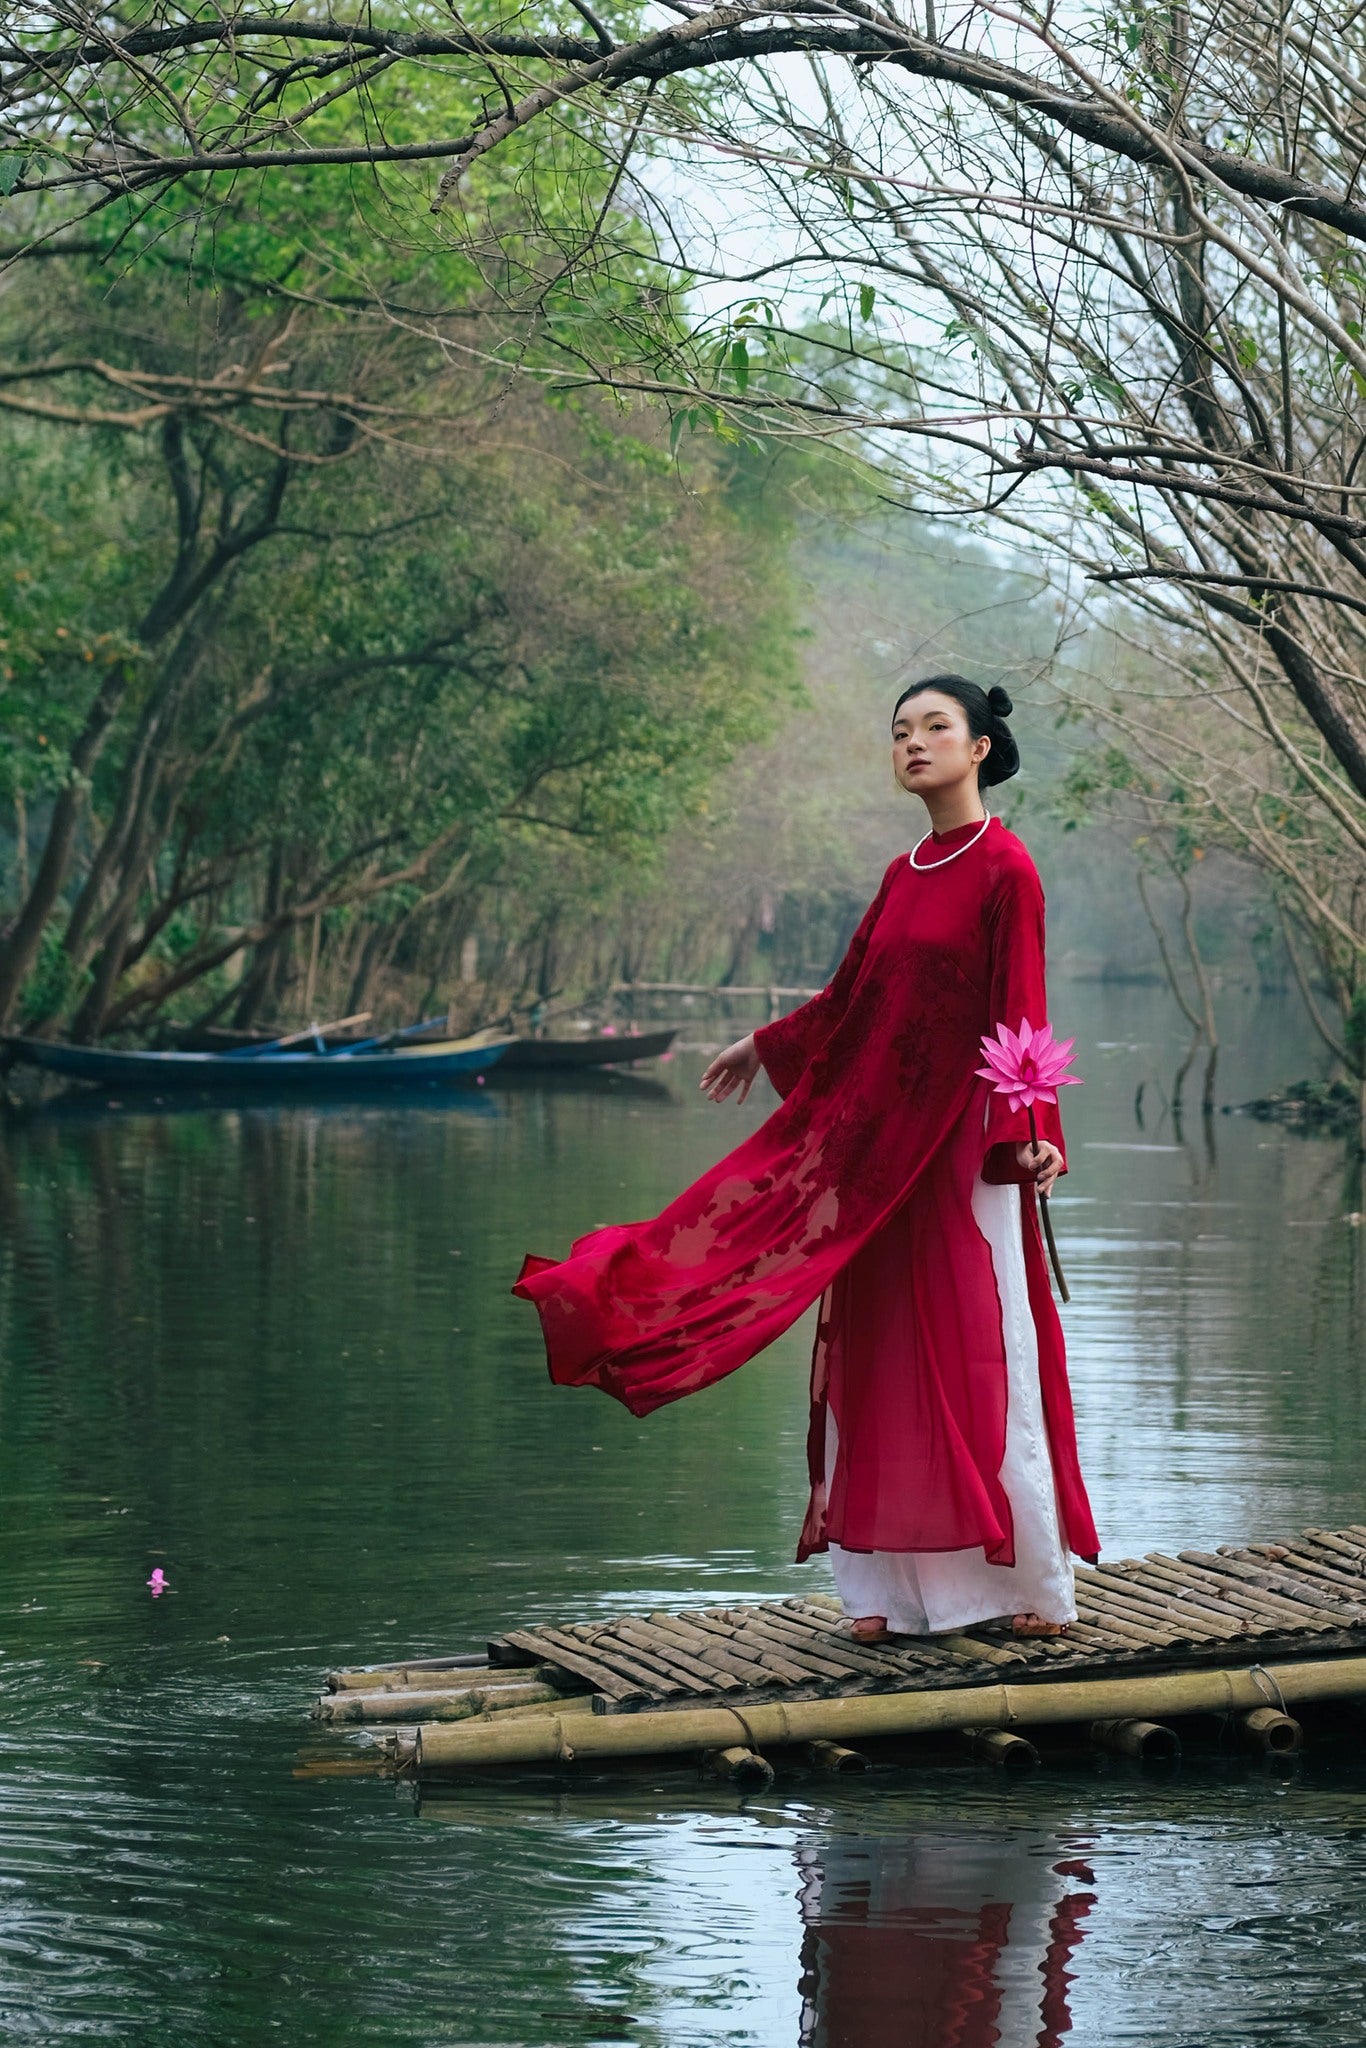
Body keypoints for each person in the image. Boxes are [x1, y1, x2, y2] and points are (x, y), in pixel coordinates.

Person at [514, 675, 1099, 1639]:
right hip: (875, 1155)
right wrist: (765, 1043)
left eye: (936, 727)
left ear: (980, 748)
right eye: (900, 730)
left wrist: (1033, 1132)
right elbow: (852, 997)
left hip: (960, 1150)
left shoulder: (1008, 868)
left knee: (976, 1350)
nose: (913, 743)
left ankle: (1025, 1588)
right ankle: (889, 1595)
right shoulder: (904, 872)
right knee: (878, 1351)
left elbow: (1020, 1011)